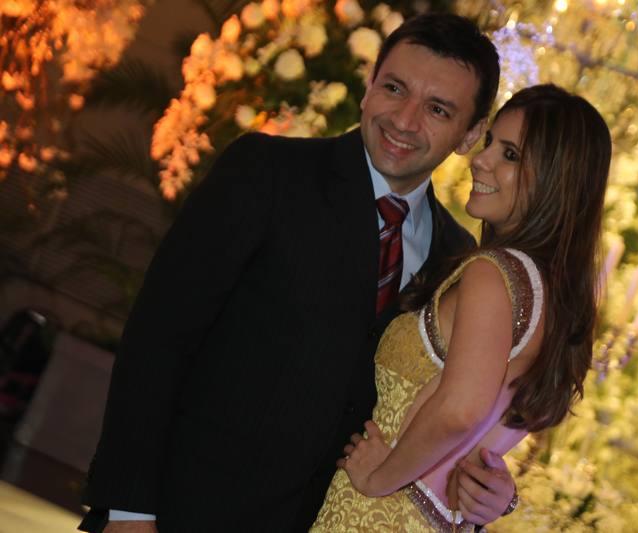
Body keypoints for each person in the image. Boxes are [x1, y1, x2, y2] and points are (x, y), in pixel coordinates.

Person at [79, 13, 519, 533]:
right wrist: (129, 510)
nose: (404, 120)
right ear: (369, 85)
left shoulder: (459, 260)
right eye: (394, 88)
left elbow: (432, 413)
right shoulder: (267, 173)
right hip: (177, 514)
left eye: (437, 109)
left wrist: (490, 491)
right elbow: (159, 338)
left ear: (470, 134)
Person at [311, 83, 612, 532]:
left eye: (510, 155)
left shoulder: (493, 274)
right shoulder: (553, 297)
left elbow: (461, 410)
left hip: (375, 513)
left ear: (556, 182)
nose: (480, 160)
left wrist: (379, 478)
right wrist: (500, 497)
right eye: (490, 142)